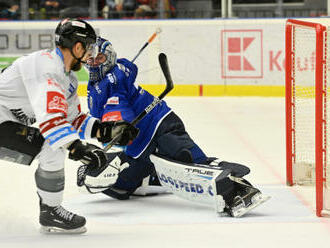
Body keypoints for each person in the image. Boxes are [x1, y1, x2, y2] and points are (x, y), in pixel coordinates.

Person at [82, 37, 270, 217]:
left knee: (190, 160)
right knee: (118, 186)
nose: (94, 63)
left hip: (160, 124)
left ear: (110, 58)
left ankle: (239, 189)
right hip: (138, 148)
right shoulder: (103, 80)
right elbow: (128, 69)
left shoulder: (112, 82)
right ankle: (152, 176)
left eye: (100, 58)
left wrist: (115, 128)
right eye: (91, 58)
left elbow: (119, 109)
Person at [0, 19, 138, 234]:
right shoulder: (46, 68)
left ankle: (50, 210)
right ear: (77, 47)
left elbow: (72, 118)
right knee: (53, 145)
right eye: (89, 47)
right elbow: (51, 120)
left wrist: (106, 130)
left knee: (53, 145)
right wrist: (78, 149)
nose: (91, 54)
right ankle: (50, 210)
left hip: (5, 122)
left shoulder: (68, 78)